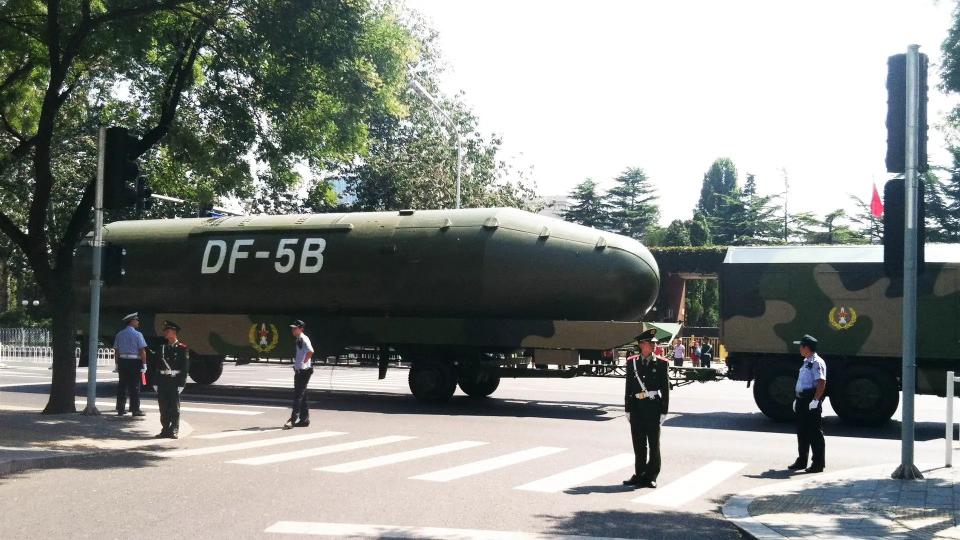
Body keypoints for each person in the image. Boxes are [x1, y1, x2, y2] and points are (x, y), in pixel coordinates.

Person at [623, 328, 670, 489]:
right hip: (636, 407)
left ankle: (651, 476)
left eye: (654, 343)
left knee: (654, 444)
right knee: (639, 443)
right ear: (642, 344)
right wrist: (627, 408)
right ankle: (640, 474)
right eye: (651, 343)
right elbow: (628, 386)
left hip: (653, 407)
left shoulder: (662, 363)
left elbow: (665, 389)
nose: (654, 345)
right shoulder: (632, 362)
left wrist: (664, 411)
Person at [787, 334, 827, 473]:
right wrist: (797, 398)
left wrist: (816, 400)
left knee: (814, 433)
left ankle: (818, 463)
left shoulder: (817, 362)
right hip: (801, 400)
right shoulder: (806, 361)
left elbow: (821, 382)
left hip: (810, 400)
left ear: (806, 347)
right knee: (802, 432)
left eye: (801, 346)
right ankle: (802, 460)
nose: (799, 349)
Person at [151, 320, 189, 439]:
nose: (165, 333)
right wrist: (155, 382)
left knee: (174, 407)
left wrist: (181, 383)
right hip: (163, 380)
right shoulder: (162, 348)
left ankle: (174, 429)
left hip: (174, 381)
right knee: (163, 407)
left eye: (168, 331)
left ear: (174, 332)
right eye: (165, 331)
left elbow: (185, 367)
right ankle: (165, 429)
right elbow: (157, 366)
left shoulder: (182, 348)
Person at [113, 312, 147, 417]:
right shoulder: (138, 334)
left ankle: (120, 409)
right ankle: (135, 409)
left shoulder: (119, 334)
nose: (138, 322)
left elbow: (116, 351)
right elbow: (142, 350)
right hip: (134, 362)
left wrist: (117, 364)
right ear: (132, 321)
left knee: (122, 385)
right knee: (135, 386)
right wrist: (144, 364)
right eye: (136, 320)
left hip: (122, 361)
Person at [284, 319, 314, 429]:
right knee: (303, 395)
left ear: (301, 329)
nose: (293, 330)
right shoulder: (299, 338)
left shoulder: (303, 338)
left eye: (295, 328)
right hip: (301, 371)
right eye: (292, 328)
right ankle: (304, 420)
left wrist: (302, 364)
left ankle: (292, 420)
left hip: (303, 372)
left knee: (298, 396)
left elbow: (311, 351)